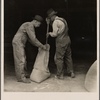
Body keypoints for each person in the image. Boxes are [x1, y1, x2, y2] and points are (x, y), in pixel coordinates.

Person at [12, 15, 47, 83]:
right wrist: (42, 46)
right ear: (35, 21)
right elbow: (33, 39)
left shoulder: (28, 25)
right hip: (18, 43)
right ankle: (21, 78)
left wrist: (39, 46)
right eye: (39, 24)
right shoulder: (29, 25)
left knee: (23, 59)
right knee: (21, 60)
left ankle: (24, 74)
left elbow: (30, 40)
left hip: (20, 43)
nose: (39, 26)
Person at [46, 9, 75, 79]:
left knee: (59, 58)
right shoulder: (62, 20)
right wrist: (49, 23)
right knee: (68, 57)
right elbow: (61, 28)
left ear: (51, 17)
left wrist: (49, 33)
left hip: (61, 41)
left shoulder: (55, 22)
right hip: (67, 39)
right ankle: (71, 72)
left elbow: (55, 34)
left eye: (50, 18)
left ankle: (60, 75)